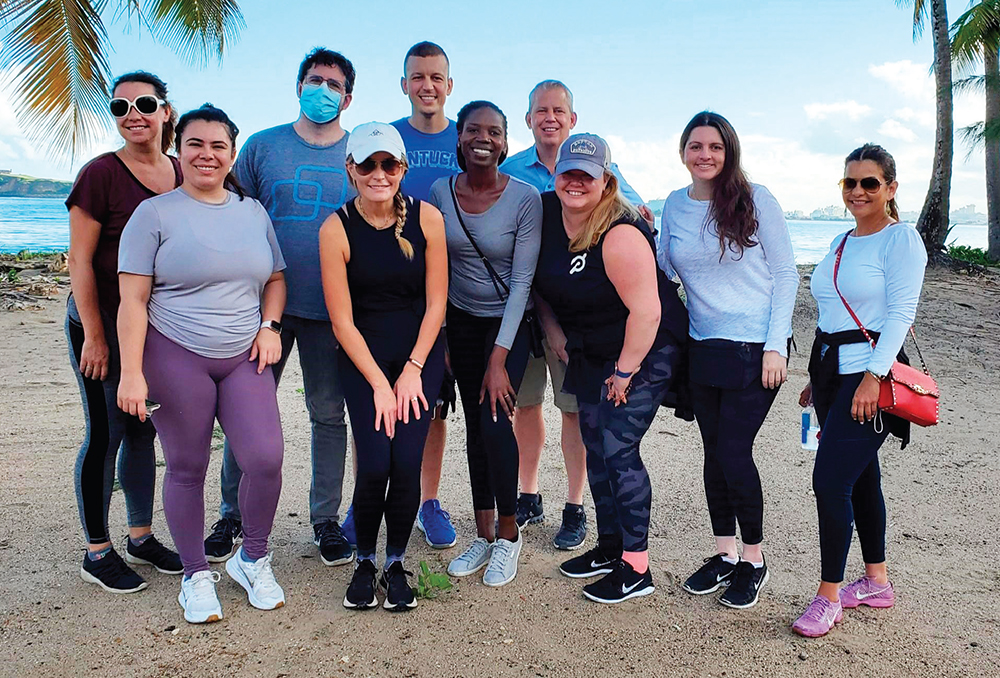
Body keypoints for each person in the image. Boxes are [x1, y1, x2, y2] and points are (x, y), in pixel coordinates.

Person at [117, 104, 288, 624]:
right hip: (175, 353)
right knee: (188, 465)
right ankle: (195, 574)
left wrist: (270, 326)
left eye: (218, 145)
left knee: (265, 458)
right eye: (195, 143)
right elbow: (132, 300)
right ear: (179, 148)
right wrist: (130, 372)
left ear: (232, 154)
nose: (206, 154)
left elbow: (276, 278)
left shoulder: (253, 211)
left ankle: (251, 557)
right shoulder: (154, 214)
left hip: (244, 354)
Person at [204, 48, 356, 569]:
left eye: (334, 85)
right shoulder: (262, 147)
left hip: (331, 311)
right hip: (261, 309)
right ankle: (231, 514)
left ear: (348, 97)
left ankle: (325, 521)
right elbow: (230, 211)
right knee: (246, 413)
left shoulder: (359, 155)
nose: (323, 90)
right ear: (297, 86)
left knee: (328, 415)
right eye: (315, 80)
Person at [534, 134, 688, 604]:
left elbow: (647, 313)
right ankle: (609, 547)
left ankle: (636, 566)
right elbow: (537, 282)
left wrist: (624, 374)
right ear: (554, 175)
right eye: (568, 173)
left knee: (619, 446)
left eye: (588, 175)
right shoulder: (543, 215)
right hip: (589, 348)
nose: (575, 182)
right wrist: (553, 331)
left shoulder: (619, 231)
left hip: (644, 348)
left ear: (606, 182)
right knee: (595, 445)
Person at [501, 80, 654, 550]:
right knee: (524, 405)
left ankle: (575, 504)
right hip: (529, 309)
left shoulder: (603, 170)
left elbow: (636, 217)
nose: (550, 117)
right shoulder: (511, 172)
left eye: (559, 110)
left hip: (580, 320)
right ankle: (528, 493)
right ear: (528, 119)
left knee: (575, 413)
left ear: (572, 119)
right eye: (541, 110)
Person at [658, 112, 798, 609]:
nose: (705, 155)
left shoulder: (757, 199)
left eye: (715, 146)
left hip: (757, 350)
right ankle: (723, 552)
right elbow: (663, 266)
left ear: (729, 151)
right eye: (696, 146)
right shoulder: (675, 205)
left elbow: (786, 275)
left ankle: (754, 560)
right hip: (703, 346)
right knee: (712, 452)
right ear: (682, 153)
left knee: (734, 452)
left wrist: (776, 345)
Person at [792, 144, 926, 637]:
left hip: (870, 377)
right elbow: (831, 315)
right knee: (862, 476)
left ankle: (829, 596)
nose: (858, 191)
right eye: (850, 182)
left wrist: (871, 376)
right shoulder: (841, 241)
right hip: (831, 373)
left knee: (830, 481)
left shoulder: (902, 240)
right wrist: (816, 379)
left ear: (891, 188)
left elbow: (900, 315)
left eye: (870, 182)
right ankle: (877, 582)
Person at [319, 122, 448, 611]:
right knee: (374, 463)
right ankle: (365, 561)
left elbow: (437, 303)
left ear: (402, 168)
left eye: (388, 164)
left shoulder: (428, 219)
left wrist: (413, 370)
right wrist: (378, 382)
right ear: (351, 168)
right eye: (368, 164)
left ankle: (395, 562)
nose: (379, 174)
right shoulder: (336, 229)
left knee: (406, 463)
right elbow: (342, 320)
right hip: (364, 361)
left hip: (419, 356)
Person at [65, 70, 182, 594]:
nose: (133, 113)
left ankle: (140, 536)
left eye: (145, 103)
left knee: (142, 431)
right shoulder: (99, 175)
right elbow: (81, 261)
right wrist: (93, 333)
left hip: (154, 332)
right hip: (101, 328)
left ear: (165, 111)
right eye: (120, 107)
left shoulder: (183, 172)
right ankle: (97, 550)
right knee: (106, 432)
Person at [429, 101, 541, 586]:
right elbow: (438, 270)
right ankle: (483, 532)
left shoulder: (526, 198)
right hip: (461, 323)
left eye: (493, 132)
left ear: (505, 141)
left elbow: (522, 283)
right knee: (474, 427)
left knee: (496, 423)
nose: (483, 138)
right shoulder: (439, 192)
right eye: (473, 129)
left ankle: (510, 537)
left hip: (509, 326)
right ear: (459, 138)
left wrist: (499, 359)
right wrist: (446, 337)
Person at [387, 40, 461, 549]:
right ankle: (369, 496)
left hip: (449, 297)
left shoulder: (468, 138)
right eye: (418, 76)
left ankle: (426, 501)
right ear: (404, 84)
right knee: (379, 399)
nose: (427, 86)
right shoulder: (386, 138)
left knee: (433, 404)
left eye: (436, 77)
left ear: (449, 85)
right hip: (389, 294)